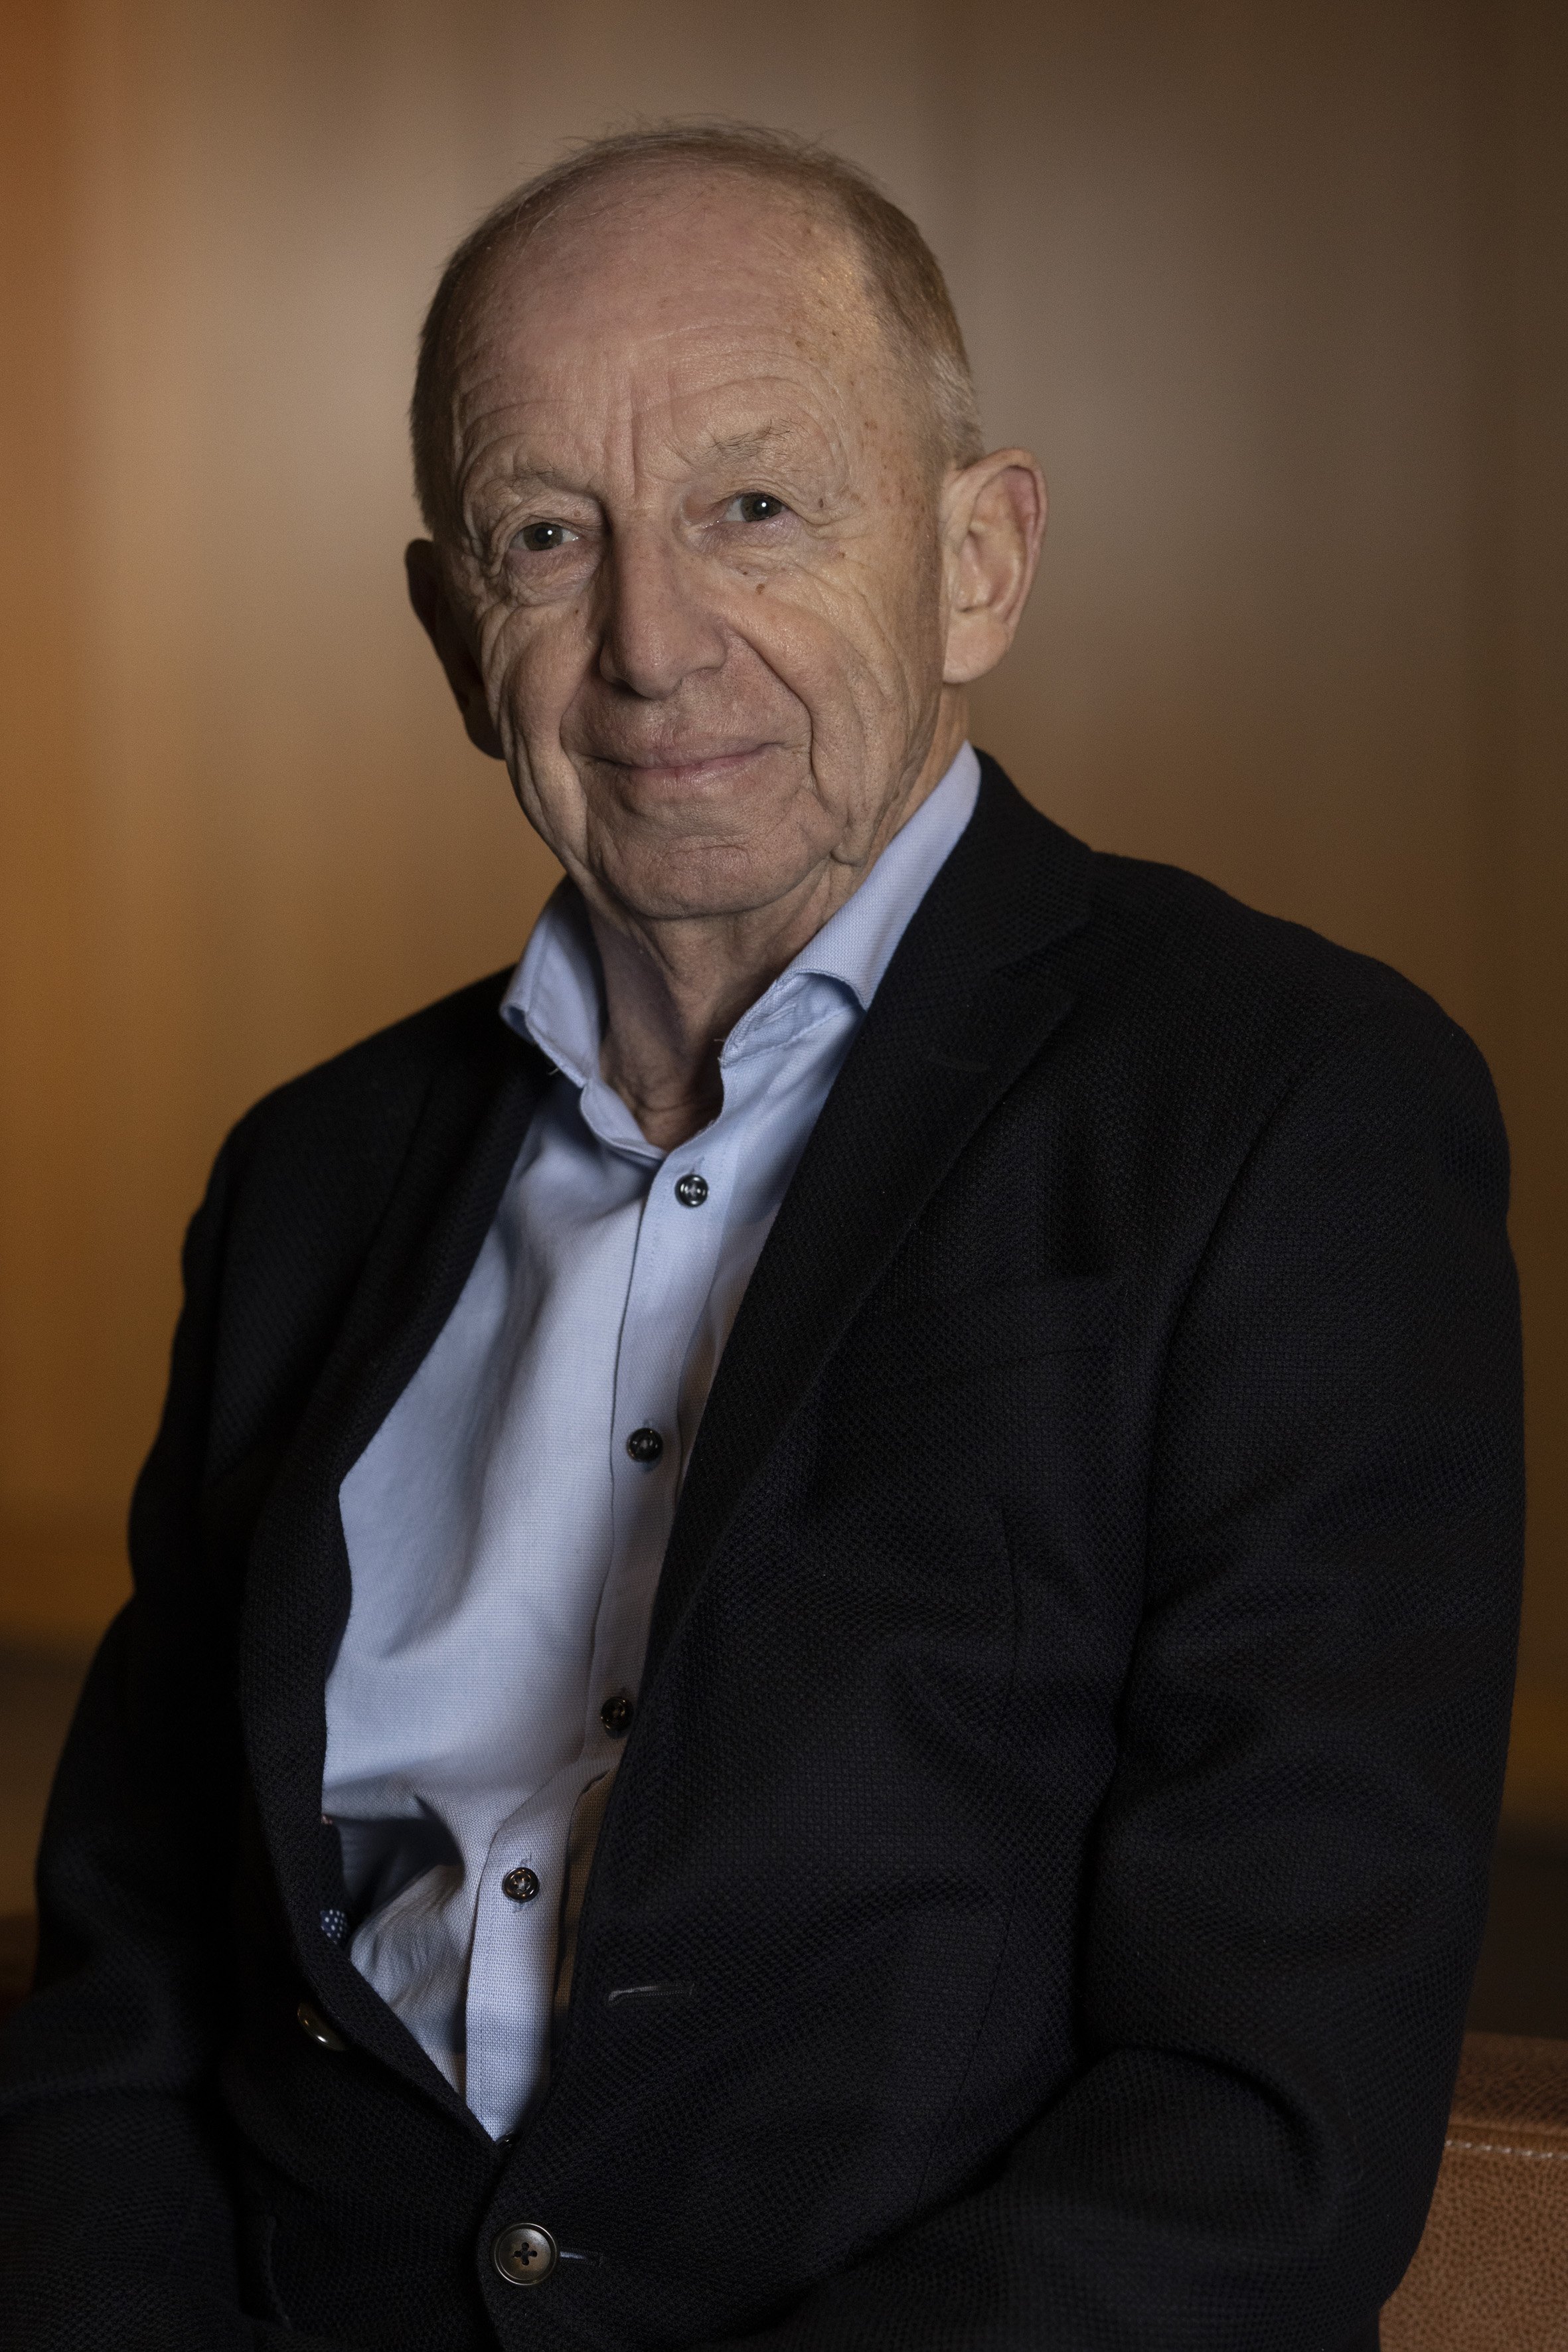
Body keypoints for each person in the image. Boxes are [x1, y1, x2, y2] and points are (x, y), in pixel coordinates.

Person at [0, 123, 1522, 2352]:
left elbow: (1255, 2128)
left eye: (753, 507)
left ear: (980, 560)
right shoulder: (309, 1181)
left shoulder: (1284, 1106)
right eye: (547, 535)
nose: (646, 644)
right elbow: (128, 2010)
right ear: (453, 630)